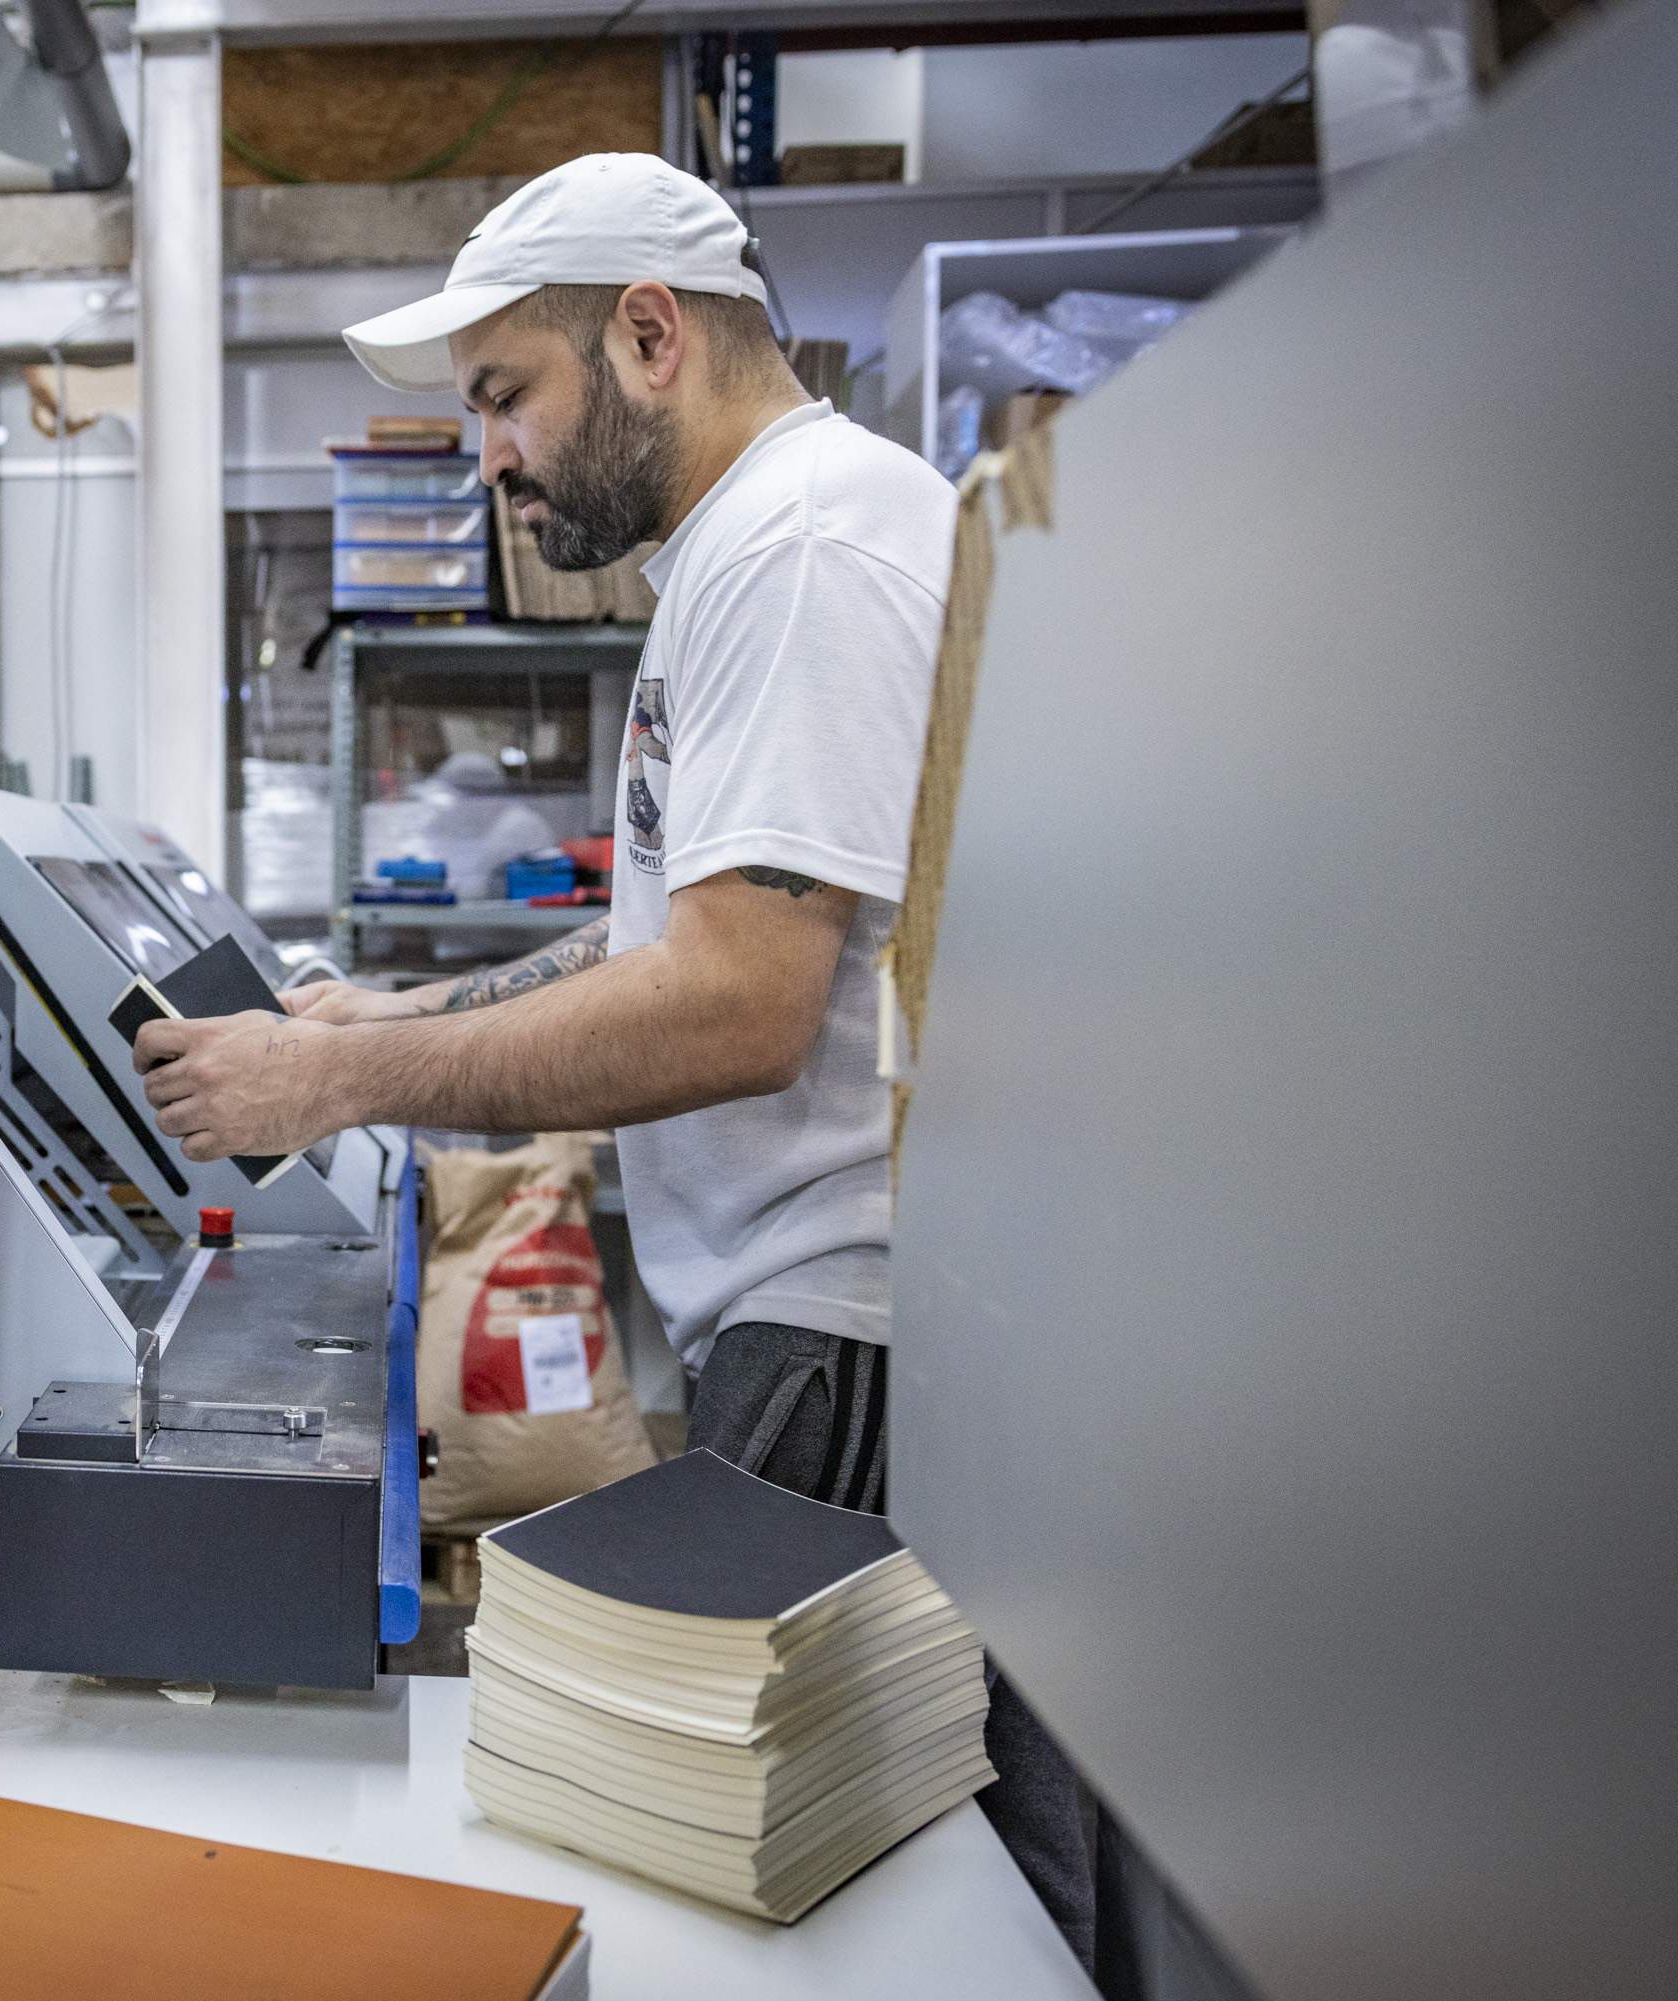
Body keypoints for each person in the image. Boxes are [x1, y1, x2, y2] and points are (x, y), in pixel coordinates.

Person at [127, 152, 1096, 1961]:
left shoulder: (800, 550)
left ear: (649, 334)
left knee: (839, 1917)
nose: (488, 454)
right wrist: (410, 1016)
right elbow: (675, 930)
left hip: (853, 1346)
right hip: (835, 1322)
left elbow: (735, 1004)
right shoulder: (762, 542)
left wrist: (333, 1084)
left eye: (506, 395)